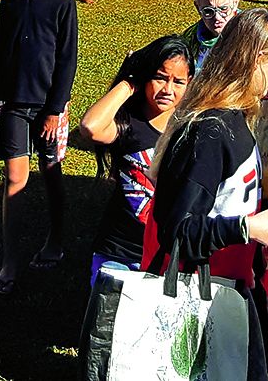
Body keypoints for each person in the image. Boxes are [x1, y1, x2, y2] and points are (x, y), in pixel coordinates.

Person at [148, 8, 268, 292]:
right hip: (196, 295)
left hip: (227, 285)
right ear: (256, 61)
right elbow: (178, 231)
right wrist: (248, 229)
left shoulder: (236, 120)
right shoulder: (210, 132)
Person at [0, 0, 78, 295]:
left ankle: (55, 239)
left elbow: (67, 60)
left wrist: (55, 109)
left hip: (48, 107)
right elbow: (1, 49)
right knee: (14, 180)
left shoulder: (62, 2)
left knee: (51, 172)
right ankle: (10, 261)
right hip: (13, 104)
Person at [75, 35, 193, 281]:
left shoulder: (190, 127)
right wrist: (129, 82)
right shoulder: (129, 123)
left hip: (168, 256)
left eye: (178, 81)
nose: (168, 90)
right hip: (119, 251)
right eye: (160, 77)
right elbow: (90, 127)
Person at [178, 0, 240, 73]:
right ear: (197, 7)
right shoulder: (188, 41)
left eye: (224, 9)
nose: (217, 17)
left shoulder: (252, 35)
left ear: (235, 3)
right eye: (208, 11)